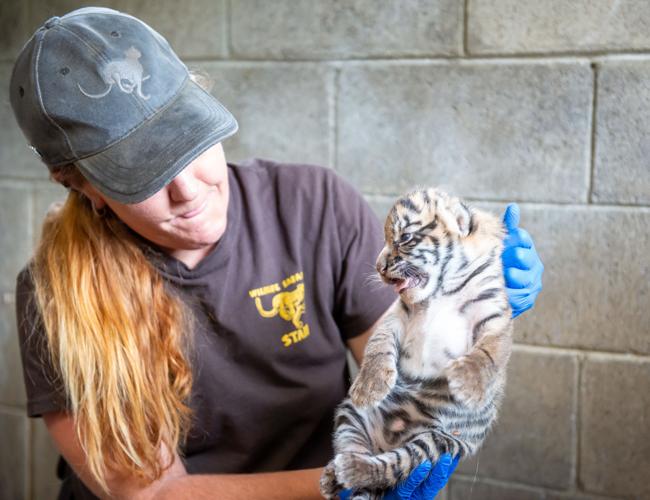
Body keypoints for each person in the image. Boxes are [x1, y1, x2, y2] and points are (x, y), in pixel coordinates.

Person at [9, 7, 544, 500]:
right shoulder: (57, 291)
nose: (189, 190)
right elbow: (153, 493)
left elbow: (409, 386)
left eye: (190, 143)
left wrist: (462, 303)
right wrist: (349, 484)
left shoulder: (314, 207)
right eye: (142, 174)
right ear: (79, 184)